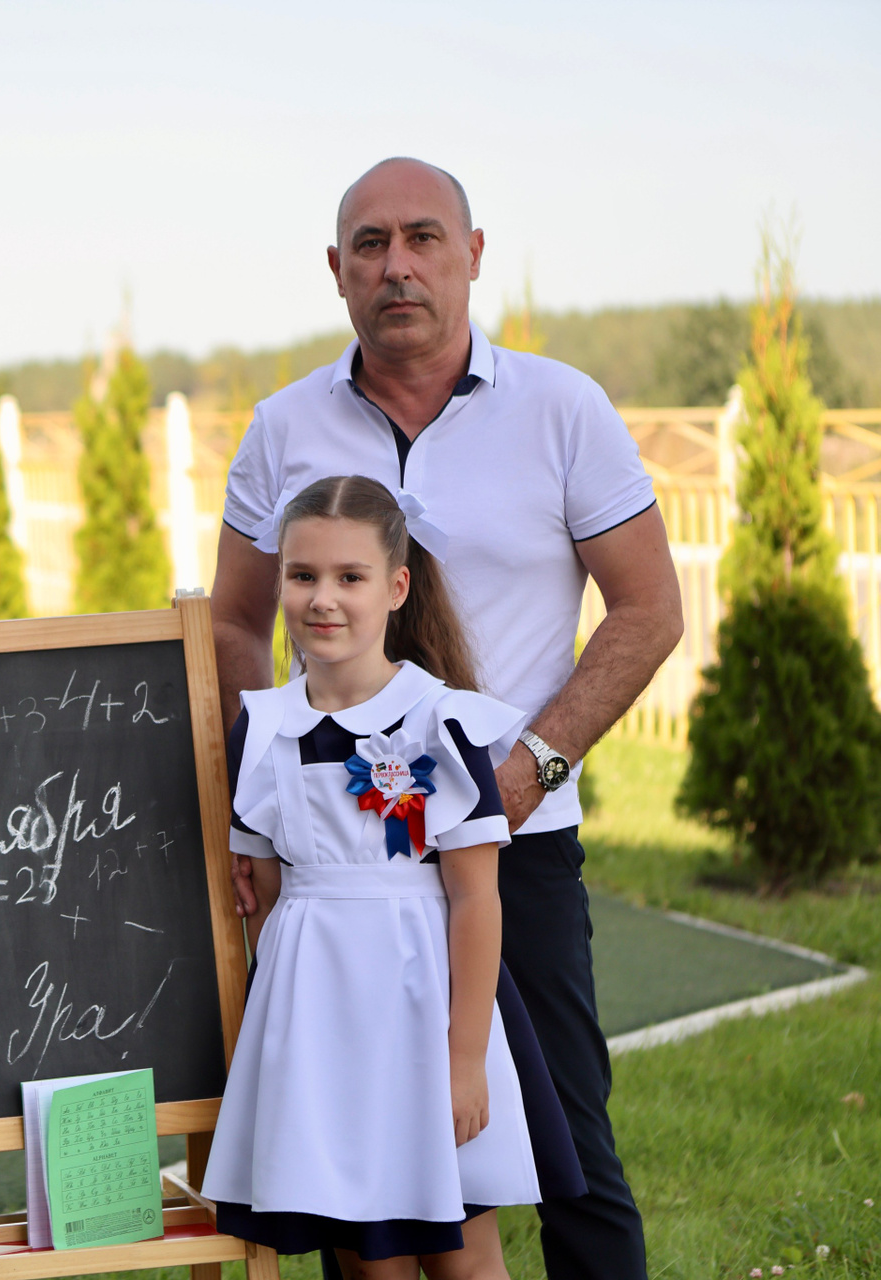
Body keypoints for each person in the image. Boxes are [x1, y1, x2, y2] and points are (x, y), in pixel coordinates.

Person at [209, 158, 682, 1279]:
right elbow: (232, 625)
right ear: (337, 270)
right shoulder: (283, 426)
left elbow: (650, 610)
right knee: (356, 1167)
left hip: (512, 846)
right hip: (336, 877)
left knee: (568, 1148)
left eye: (424, 238)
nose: (398, 266)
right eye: (371, 245)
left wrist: (515, 781)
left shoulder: (562, 408)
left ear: (472, 254)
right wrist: (260, 809)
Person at [203, 476, 583, 1278]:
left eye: (351, 577)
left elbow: (475, 897)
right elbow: (264, 898)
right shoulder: (261, 730)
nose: (323, 599)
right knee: (371, 1262)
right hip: (320, 1028)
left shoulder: (442, 724)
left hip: (428, 1015)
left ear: (397, 587)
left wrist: (465, 1059)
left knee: (465, 1261)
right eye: (303, 575)